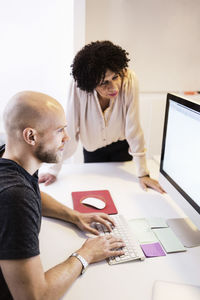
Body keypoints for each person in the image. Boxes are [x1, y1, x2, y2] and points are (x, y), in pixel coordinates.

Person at [0, 91, 125, 300]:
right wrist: (86, 254)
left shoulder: (11, 157)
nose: (67, 138)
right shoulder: (15, 198)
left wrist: (75, 215)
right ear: (31, 136)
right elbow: (34, 297)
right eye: (60, 130)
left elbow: (32, 192)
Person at [39, 40, 164, 193]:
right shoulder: (78, 86)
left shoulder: (129, 80)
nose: (113, 87)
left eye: (115, 77)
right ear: (90, 84)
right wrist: (54, 169)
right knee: (96, 190)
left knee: (123, 192)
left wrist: (143, 173)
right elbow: (70, 128)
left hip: (121, 146)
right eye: (104, 82)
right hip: (93, 150)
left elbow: (133, 127)